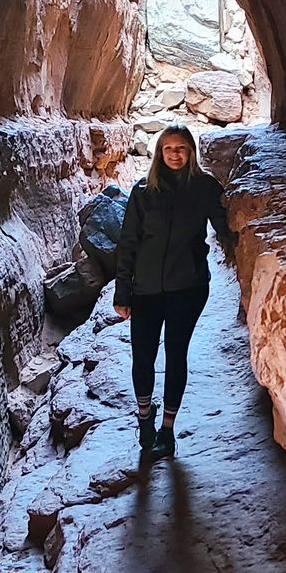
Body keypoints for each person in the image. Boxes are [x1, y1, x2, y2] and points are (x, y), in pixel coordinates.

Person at [112, 125, 236, 458]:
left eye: (181, 148)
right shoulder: (143, 192)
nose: (175, 155)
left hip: (188, 287)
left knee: (176, 354)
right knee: (143, 356)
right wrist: (122, 292)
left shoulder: (205, 188)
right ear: (159, 153)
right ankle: (144, 417)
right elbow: (128, 243)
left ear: (191, 151)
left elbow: (225, 227)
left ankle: (167, 429)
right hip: (146, 289)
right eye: (168, 149)